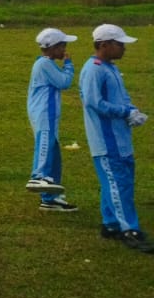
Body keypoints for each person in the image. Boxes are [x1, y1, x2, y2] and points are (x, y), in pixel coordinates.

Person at [79, 24, 151, 252]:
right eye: (119, 44)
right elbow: (94, 102)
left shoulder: (110, 68)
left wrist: (132, 110)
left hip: (120, 138)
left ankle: (110, 224)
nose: (123, 48)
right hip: (106, 139)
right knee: (117, 184)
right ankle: (129, 229)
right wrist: (124, 112)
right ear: (104, 45)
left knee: (121, 183)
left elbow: (122, 97)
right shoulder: (94, 69)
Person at [26, 27, 78, 211]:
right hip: (44, 112)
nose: (65, 50)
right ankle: (39, 175)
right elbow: (64, 82)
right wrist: (69, 64)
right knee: (45, 144)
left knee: (54, 154)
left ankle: (50, 198)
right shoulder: (45, 64)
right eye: (62, 46)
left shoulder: (46, 63)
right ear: (52, 47)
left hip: (49, 113)